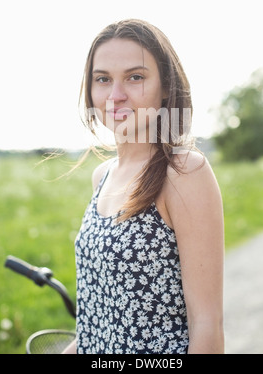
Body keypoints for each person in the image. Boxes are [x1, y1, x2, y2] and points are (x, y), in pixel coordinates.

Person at [63, 19, 224, 354]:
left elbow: (207, 324)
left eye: (135, 77)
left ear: (165, 86)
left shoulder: (183, 172)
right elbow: (102, 315)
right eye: (103, 79)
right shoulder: (102, 176)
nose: (116, 95)